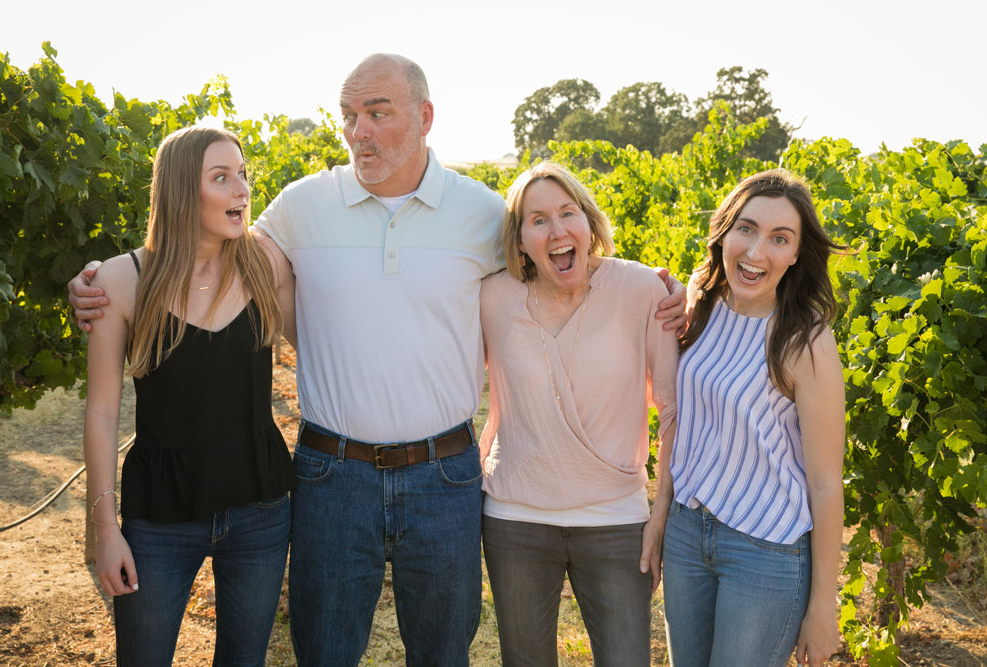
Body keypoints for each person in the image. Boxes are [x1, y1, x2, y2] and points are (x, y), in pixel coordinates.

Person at [70, 54, 688, 666]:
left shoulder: (479, 213)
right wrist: (109, 282)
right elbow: (207, 261)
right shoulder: (301, 206)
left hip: (443, 477)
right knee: (325, 649)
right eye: (348, 115)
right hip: (330, 475)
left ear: (424, 116)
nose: (357, 131)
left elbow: (557, 260)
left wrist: (659, 289)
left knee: (444, 652)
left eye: (376, 113)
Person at [82, 126, 298, 666]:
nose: (241, 190)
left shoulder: (266, 266)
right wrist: (104, 530)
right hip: (159, 520)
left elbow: (333, 342)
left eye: (243, 175)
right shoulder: (121, 280)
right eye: (221, 178)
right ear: (181, 189)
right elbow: (103, 412)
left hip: (260, 510)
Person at [478, 162, 678, 666]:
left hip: (616, 520)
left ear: (589, 225)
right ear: (520, 241)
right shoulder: (492, 297)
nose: (557, 229)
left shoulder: (641, 290)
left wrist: (659, 516)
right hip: (515, 519)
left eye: (569, 213)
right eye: (538, 219)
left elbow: (674, 413)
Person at [654, 169, 845, 667]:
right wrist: (660, 517)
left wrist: (824, 607)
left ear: (797, 254)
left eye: (780, 238)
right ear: (725, 232)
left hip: (766, 552)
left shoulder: (806, 341)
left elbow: (826, 483)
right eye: (747, 228)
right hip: (686, 535)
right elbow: (678, 417)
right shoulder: (702, 301)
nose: (757, 252)